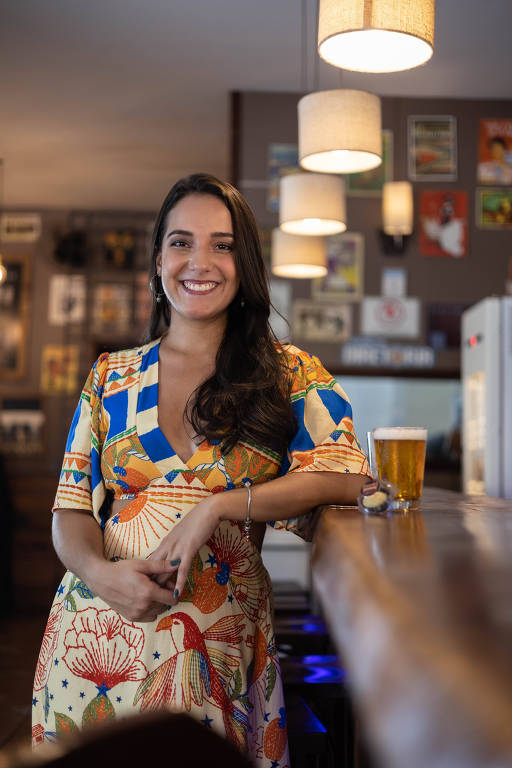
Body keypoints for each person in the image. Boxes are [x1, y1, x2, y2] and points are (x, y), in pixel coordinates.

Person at [32, 173, 370, 766]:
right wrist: (100, 574)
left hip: (220, 646)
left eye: (223, 244)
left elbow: (346, 477)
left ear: (245, 264)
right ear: (158, 259)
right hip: (94, 639)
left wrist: (219, 506)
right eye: (181, 242)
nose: (200, 261)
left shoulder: (286, 374)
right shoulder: (110, 376)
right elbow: (69, 507)